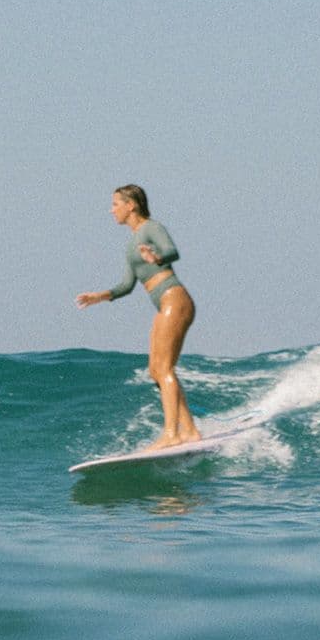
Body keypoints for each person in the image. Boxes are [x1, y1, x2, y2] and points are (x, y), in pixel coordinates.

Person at [76, 184, 200, 450]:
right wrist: (100, 296)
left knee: (164, 368)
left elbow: (172, 251)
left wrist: (156, 256)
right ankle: (189, 430)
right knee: (155, 371)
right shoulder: (132, 242)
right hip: (164, 304)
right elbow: (127, 285)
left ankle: (172, 433)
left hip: (175, 300)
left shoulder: (151, 228)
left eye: (115, 205)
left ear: (131, 205)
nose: (112, 211)